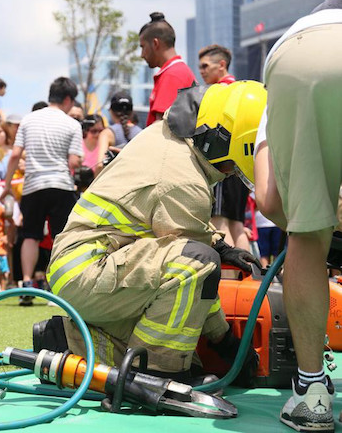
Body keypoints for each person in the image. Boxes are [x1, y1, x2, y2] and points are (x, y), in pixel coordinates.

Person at [43, 81, 265, 385]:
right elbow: (198, 269)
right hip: (88, 269)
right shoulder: (183, 180)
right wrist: (224, 339)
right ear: (220, 141)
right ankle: (160, 374)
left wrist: (219, 244)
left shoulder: (165, 139)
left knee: (163, 315)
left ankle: (70, 342)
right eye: (232, 165)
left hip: (83, 263)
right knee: (195, 264)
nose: (229, 172)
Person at [254, 0, 342, 431]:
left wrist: (317, 230)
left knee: (305, 236)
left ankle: (313, 397)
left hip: (299, 58)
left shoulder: (286, 60)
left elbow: (269, 202)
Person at [1, 77, 83, 306]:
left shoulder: (28, 120)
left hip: (33, 185)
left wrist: (7, 185)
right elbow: (74, 161)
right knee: (60, 237)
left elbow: (15, 155)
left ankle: (26, 284)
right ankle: (58, 287)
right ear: (67, 99)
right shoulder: (72, 124)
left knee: (30, 235)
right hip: (61, 185)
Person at [197, 44, 248, 251]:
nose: (201, 71)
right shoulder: (241, 89)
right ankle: (249, 280)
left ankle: (226, 282)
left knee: (220, 226)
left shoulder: (220, 91)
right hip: (242, 166)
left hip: (223, 164)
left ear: (222, 65)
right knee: (237, 226)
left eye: (205, 66)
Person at [139, 12, 196, 126]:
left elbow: (160, 128)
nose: (142, 54)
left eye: (143, 47)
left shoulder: (173, 75)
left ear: (155, 43)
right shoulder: (178, 71)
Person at [95, 92, 142, 175]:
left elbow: (100, 165)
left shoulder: (107, 133)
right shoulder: (142, 133)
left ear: (111, 111)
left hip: (113, 183)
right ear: (131, 112)